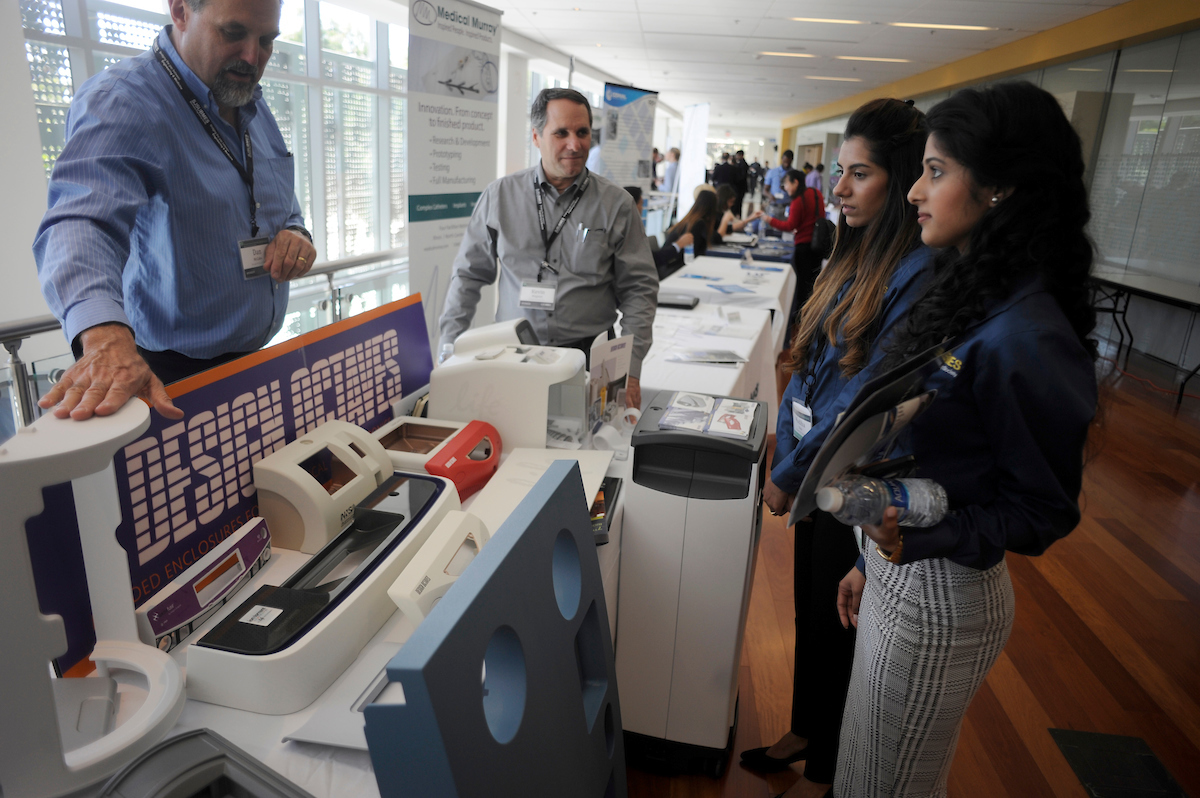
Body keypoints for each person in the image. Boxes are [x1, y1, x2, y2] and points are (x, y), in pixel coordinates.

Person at [834, 82, 1099, 797]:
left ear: (1002, 186)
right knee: (858, 774)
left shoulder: (1028, 335)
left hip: (941, 600)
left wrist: (915, 546)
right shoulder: (970, 290)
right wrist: (875, 555)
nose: (916, 191)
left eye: (937, 171)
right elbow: (941, 456)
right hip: (897, 577)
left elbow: (1041, 511)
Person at [742, 99, 933, 798]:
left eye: (861, 174)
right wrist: (783, 453)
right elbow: (806, 366)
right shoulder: (847, 251)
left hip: (852, 475)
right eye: (841, 172)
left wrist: (790, 469)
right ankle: (804, 729)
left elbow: (859, 400)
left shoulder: (914, 274)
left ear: (902, 179)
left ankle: (826, 765)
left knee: (837, 621)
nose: (841, 188)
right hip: (813, 464)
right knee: (808, 611)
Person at [33, 0, 317, 421]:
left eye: (266, 41)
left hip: (256, 360)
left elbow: (273, 194)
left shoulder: (250, 104)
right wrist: (103, 335)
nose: (252, 57)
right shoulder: (124, 101)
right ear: (181, 11)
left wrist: (297, 231)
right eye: (233, 33)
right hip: (173, 377)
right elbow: (82, 221)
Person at [439, 88, 658, 409]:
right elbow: (468, 277)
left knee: (593, 454)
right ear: (536, 136)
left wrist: (631, 369)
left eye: (583, 132)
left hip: (591, 358)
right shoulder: (500, 197)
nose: (575, 144)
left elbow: (640, 290)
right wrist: (448, 349)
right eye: (561, 133)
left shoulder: (617, 204)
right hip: (512, 355)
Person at [766, 169, 825, 346]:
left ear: (796, 183)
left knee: (801, 286)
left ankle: (801, 324)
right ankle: (812, 318)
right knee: (813, 282)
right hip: (817, 245)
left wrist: (769, 220)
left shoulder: (798, 201)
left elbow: (790, 225)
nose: (785, 187)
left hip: (803, 247)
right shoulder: (816, 193)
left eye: (787, 183)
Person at [656, 190, 719, 279]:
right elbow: (694, 254)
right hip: (673, 270)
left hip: (668, 267)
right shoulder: (698, 224)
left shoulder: (690, 221)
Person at [731, 150, 750, 218]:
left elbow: (742, 176)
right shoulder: (741, 163)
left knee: (738, 203)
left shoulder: (743, 164)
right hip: (740, 187)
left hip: (740, 187)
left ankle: (737, 216)